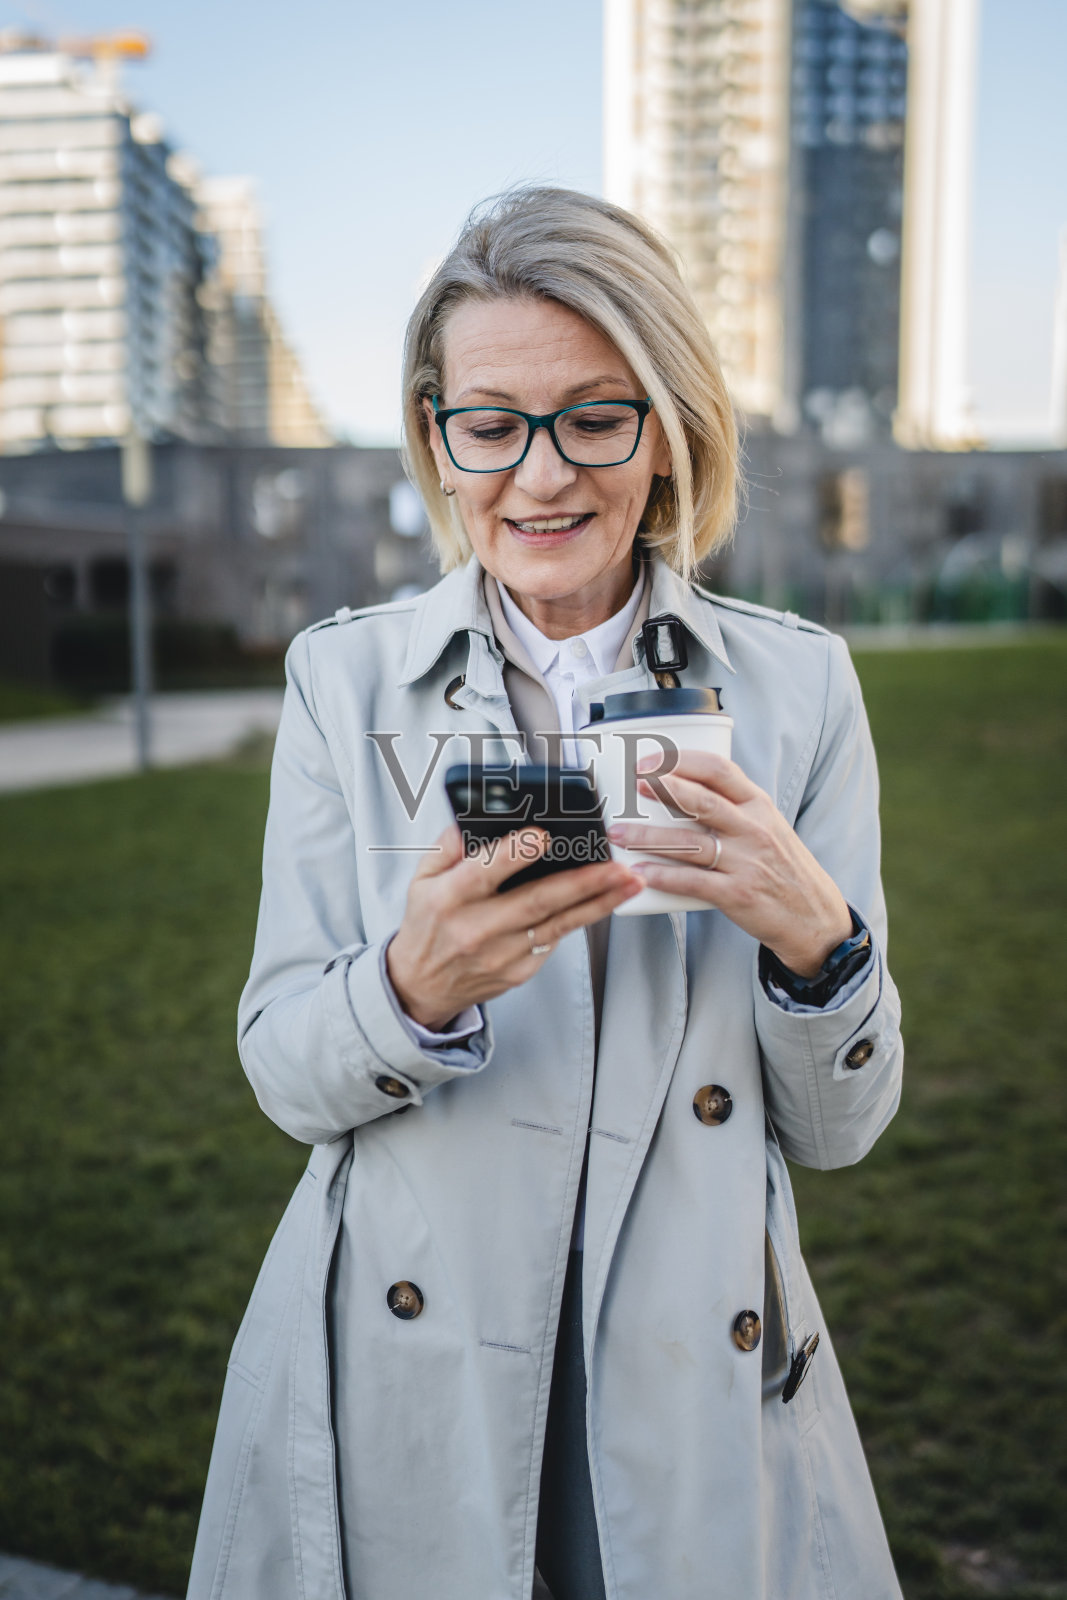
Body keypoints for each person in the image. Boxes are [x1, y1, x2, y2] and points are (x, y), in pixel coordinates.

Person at [187, 187, 904, 1600]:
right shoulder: (342, 679)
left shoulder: (801, 686)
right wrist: (410, 992)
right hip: (418, 1365)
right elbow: (283, 1072)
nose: (540, 476)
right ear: (437, 436)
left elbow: (839, 1133)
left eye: (593, 418)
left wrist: (817, 942)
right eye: (493, 424)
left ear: (667, 428)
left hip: (695, 1367)